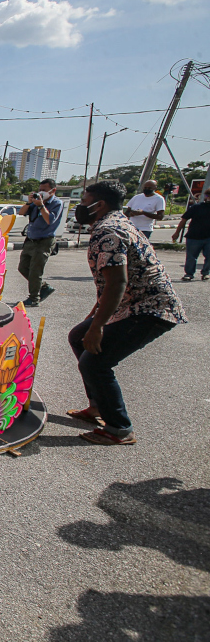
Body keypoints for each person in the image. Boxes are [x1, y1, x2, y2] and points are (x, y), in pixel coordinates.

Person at [67, 180, 186, 445]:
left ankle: (119, 428)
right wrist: (94, 317)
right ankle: (98, 405)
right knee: (79, 336)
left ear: (100, 204)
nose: (81, 206)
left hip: (150, 309)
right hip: (134, 304)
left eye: (85, 201)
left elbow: (117, 282)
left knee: (95, 362)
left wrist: (98, 327)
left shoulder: (109, 230)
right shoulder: (117, 222)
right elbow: (114, 281)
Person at [17, 178, 64, 306]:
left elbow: (50, 220)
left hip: (44, 241)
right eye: (39, 190)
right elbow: (21, 212)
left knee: (35, 271)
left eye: (44, 190)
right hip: (31, 240)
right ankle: (44, 287)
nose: (41, 192)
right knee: (23, 268)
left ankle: (33, 299)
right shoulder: (35, 202)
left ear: (53, 190)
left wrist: (41, 206)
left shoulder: (57, 203)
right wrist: (29, 202)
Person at [172, 187, 210, 281]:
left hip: (209, 238)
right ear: (206, 197)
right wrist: (177, 233)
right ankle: (189, 274)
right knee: (191, 257)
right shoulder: (197, 207)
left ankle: (206, 273)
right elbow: (184, 220)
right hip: (194, 237)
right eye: (208, 195)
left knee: (209, 257)